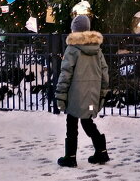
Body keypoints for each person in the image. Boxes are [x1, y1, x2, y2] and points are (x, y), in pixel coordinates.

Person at [54, 14, 110, 167]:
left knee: (71, 123)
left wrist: (60, 94)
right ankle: (101, 151)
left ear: (75, 30)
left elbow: (66, 73)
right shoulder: (97, 50)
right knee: (87, 121)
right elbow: (104, 72)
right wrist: (102, 92)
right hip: (92, 95)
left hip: (75, 96)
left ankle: (70, 156)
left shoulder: (72, 49)